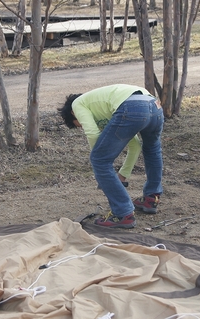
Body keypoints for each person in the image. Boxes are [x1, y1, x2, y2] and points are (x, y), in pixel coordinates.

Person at [58, 84, 164, 228]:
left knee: (99, 159)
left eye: (78, 124)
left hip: (131, 107)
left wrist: (98, 158)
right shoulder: (104, 107)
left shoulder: (78, 104)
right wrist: (123, 174)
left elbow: (92, 134)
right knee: (152, 148)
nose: (82, 125)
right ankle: (151, 198)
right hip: (153, 105)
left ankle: (122, 213)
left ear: (72, 114)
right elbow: (135, 145)